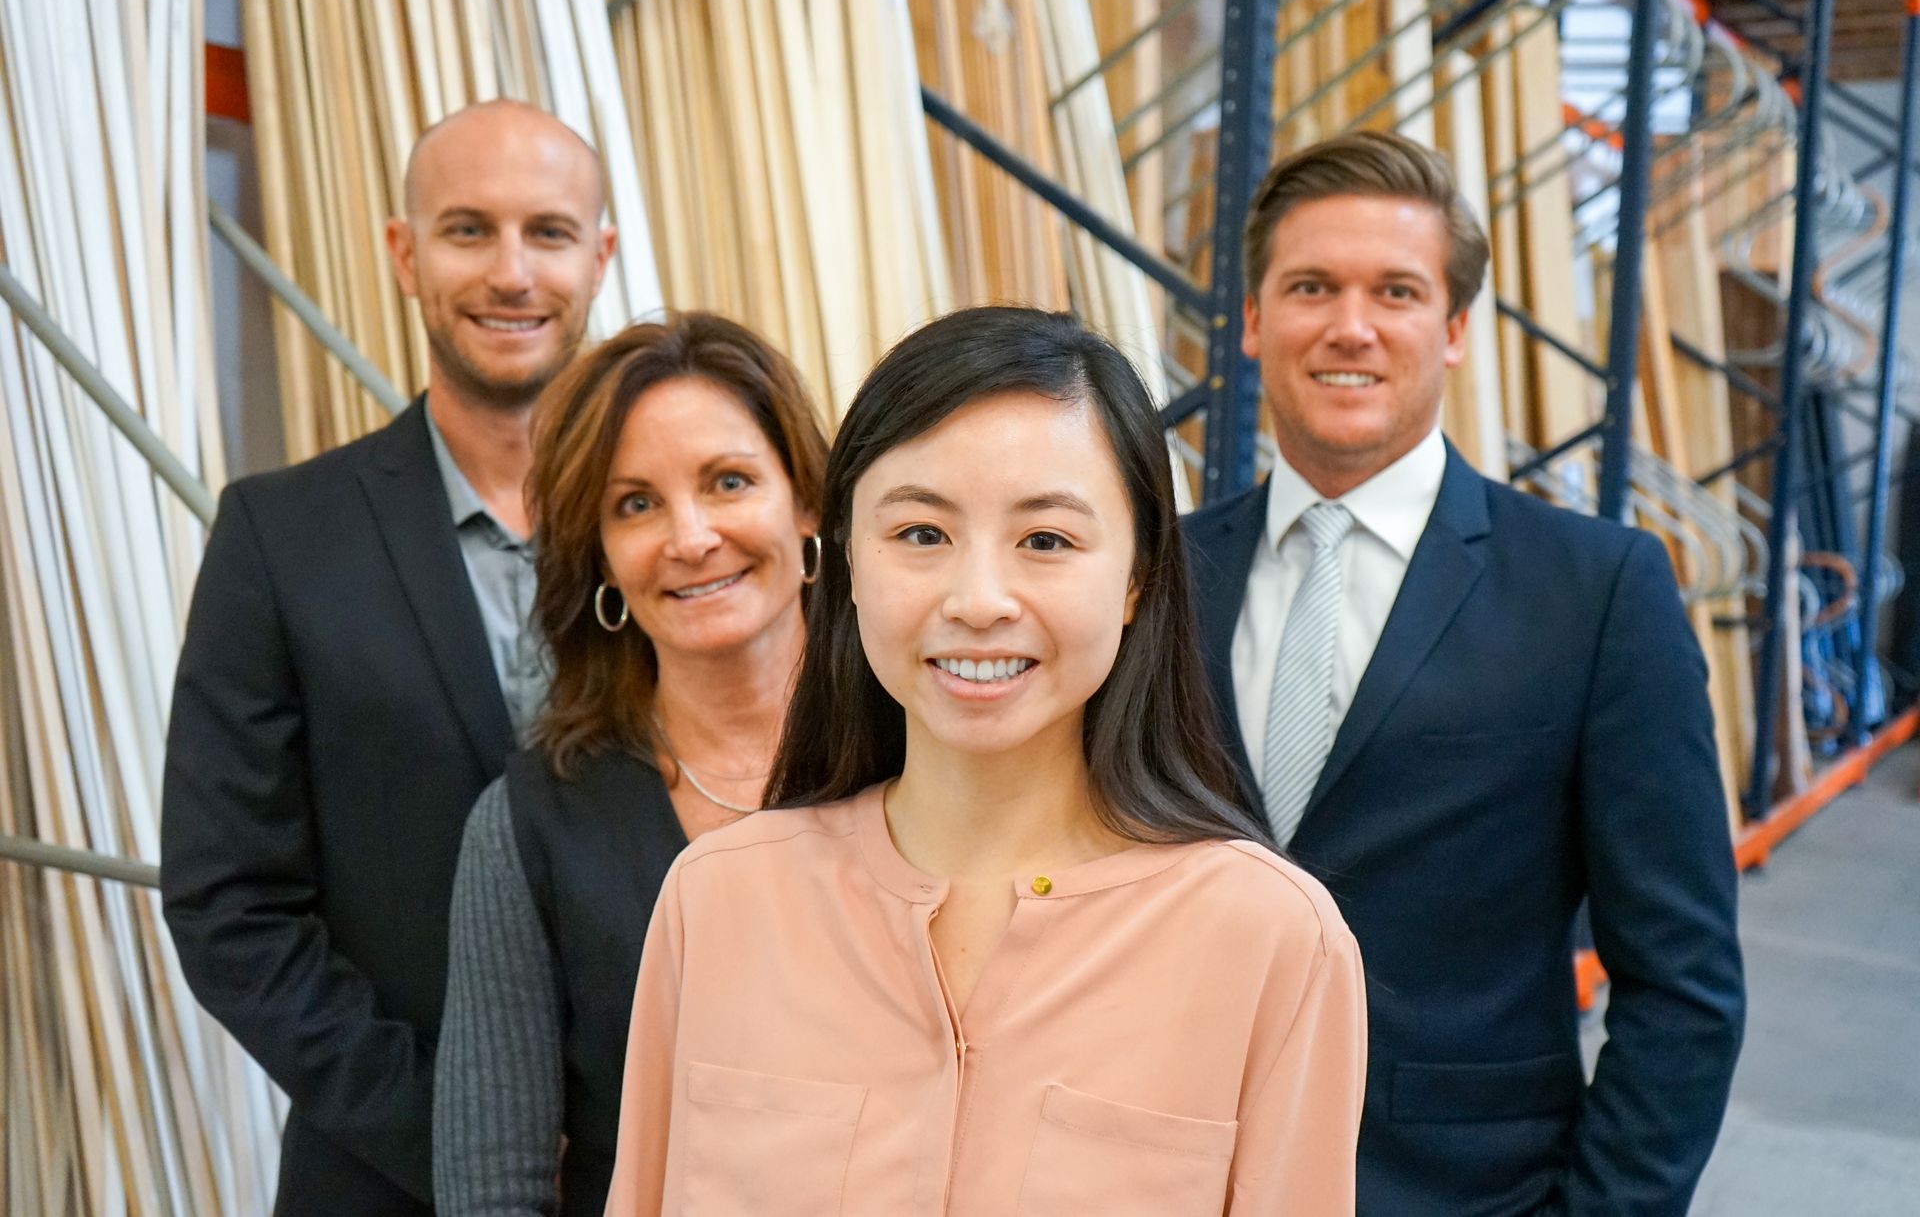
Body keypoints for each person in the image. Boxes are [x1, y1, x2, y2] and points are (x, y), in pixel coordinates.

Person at [604, 305, 1368, 1216]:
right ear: (847, 562)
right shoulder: (717, 903)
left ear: (1135, 578)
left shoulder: (1270, 941)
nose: (978, 600)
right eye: (921, 534)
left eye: (1045, 540)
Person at [1183, 130, 1745, 1216]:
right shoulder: (1158, 575)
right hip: (1169, 1173)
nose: (1350, 325)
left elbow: (1684, 983)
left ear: (1451, 332)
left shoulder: (1596, 592)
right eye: (1310, 287)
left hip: (1464, 1190)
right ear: (1253, 321)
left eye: (1395, 290)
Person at [161, 100, 617, 1216]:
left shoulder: (685, 543)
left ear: (601, 256)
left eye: (549, 232)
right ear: (403, 254)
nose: (512, 272)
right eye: (468, 230)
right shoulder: (281, 536)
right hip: (382, 1175)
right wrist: (461, 1134)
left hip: (666, 1169)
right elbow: (231, 904)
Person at [432, 313, 828, 1216]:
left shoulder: (930, 764)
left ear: (805, 502)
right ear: (602, 558)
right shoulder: (530, 824)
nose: (690, 538)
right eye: (636, 504)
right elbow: (493, 1188)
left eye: (728, 482)